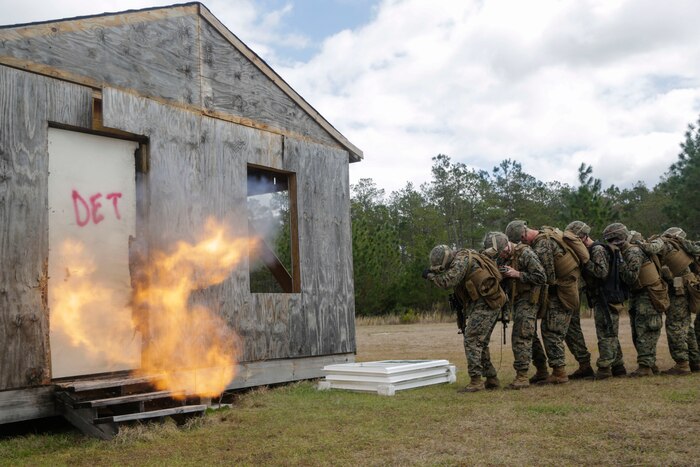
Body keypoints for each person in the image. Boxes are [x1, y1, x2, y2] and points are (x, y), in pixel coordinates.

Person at [505, 220, 581, 384]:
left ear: (524, 235)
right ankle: (576, 367)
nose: (522, 244)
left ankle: (560, 373)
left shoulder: (542, 245)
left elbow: (546, 276)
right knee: (558, 331)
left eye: (521, 240)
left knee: (552, 331)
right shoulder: (546, 234)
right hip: (563, 290)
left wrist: (520, 274)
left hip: (561, 293)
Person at [423, 244, 506, 392]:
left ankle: (476, 381)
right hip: (486, 302)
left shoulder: (460, 260)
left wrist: (430, 276)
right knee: (480, 342)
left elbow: (447, 281)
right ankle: (491, 378)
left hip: (486, 304)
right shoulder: (465, 255)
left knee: (472, 340)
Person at [603, 223, 669, 377]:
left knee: (646, 330)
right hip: (640, 295)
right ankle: (649, 365)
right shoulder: (627, 250)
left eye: (612, 239)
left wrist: (618, 261)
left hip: (648, 295)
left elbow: (631, 277)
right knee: (638, 331)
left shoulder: (632, 252)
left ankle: (645, 367)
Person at [483, 232, 546, 389]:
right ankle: (542, 370)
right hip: (516, 299)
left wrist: (517, 274)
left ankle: (522, 376)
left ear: (507, 245)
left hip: (529, 298)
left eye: (501, 252)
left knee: (521, 336)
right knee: (530, 336)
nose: (500, 256)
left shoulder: (525, 253)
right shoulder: (502, 257)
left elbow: (541, 277)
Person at [570, 221, 627, 379]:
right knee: (610, 333)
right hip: (605, 296)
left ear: (583, 238)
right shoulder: (597, 249)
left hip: (606, 297)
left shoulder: (597, 249)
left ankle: (604, 369)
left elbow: (601, 272)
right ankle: (618, 366)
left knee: (606, 333)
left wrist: (586, 262)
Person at [642, 227, 700, 375]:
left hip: (678, 293)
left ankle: (682, 364)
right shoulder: (686, 246)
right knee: (687, 328)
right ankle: (695, 361)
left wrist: (640, 243)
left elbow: (650, 248)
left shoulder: (665, 243)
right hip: (688, 289)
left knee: (675, 326)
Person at [563, 221, 594, 379]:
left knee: (572, 328)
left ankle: (584, 364)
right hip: (576, 287)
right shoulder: (580, 246)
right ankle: (584, 364)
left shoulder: (575, 246)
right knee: (571, 328)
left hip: (572, 288)